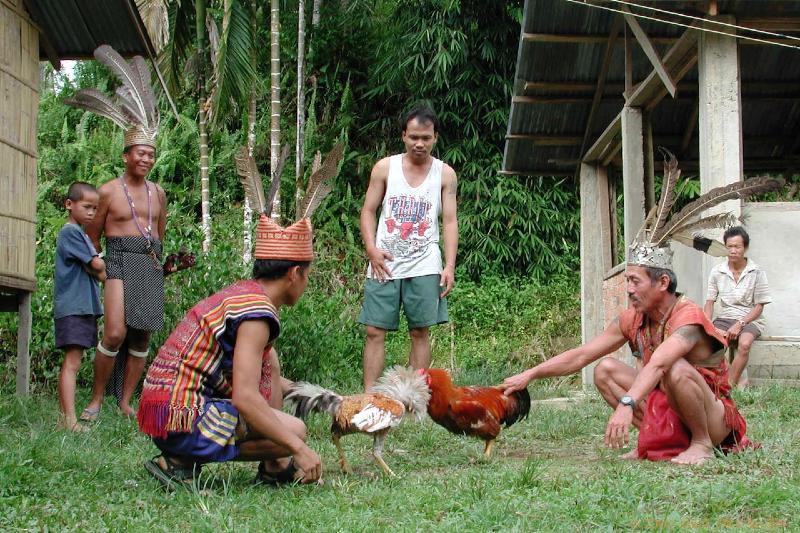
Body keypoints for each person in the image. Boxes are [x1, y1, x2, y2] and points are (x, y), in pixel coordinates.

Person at [499, 168, 771, 465]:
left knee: (675, 368)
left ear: (663, 283)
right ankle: (653, 438)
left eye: (635, 281)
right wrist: (531, 374)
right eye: (626, 280)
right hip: (668, 408)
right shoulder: (633, 318)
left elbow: (660, 364)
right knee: (605, 369)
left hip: (714, 420)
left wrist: (627, 403)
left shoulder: (688, 316)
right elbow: (583, 354)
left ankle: (701, 444)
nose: (627, 289)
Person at [137, 216, 322, 487]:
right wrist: (298, 449)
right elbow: (245, 398)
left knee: (269, 358)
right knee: (295, 431)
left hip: (162, 410)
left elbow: (256, 375)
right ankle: (180, 461)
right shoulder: (258, 314)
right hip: (180, 418)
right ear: (294, 274)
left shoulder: (243, 295)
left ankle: (275, 465)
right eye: (307, 275)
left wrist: (319, 396)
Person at [66, 45, 193, 420]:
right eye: (140, 153)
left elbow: (160, 232)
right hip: (118, 261)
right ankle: (94, 401)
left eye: (151, 155)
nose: (146, 159)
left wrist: (164, 263)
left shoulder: (158, 193)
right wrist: (98, 265)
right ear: (126, 154)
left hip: (148, 262)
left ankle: (124, 402)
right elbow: (90, 234)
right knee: (116, 333)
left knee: (141, 337)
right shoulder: (107, 191)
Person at [359, 106, 458, 390]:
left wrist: (449, 265)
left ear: (435, 138)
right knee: (374, 330)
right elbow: (367, 211)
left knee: (419, 331)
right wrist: (371, 249)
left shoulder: (445, 174)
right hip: (384, 261)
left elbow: (450, 221)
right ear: (403, 135)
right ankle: (371, 397)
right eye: (414, 136)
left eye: (426, 138)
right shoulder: (385, 168)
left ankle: (414, 398)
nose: (419, 143)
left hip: (426, 263)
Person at [54, 182, 106, 432]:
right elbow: (97, 267)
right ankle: (69, 420)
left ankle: (65, 416)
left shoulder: (81, 235)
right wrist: (98, 264)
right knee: (72, 363)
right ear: (69, 204)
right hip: (74, 305)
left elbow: (97, 270)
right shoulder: (70, 232)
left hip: (83, 306)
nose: (91, 213)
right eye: (87, 207)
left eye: (95, 209)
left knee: (74, 360)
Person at [704, 226, 771, 389]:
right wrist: (707, 325)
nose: (733, 251)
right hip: (724, 318)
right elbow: (709, 302)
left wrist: (740, 323)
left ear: (745, 248)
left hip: (750, 319)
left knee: (745, 343)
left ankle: (728, 387)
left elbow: (759, 307)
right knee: (712, 342)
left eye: (737, 247)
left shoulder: (756, 272)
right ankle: (715, 383)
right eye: (729, 246)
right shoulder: (717, 271)